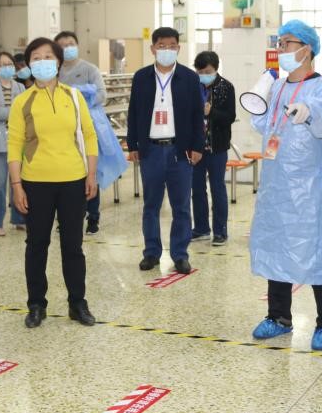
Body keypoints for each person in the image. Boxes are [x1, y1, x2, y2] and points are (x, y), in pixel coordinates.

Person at [248, 21, 322, 349]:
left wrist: (310, 111)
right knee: (276, 247)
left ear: (307, 48)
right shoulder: (277, 86)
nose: (281, 49)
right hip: (275, 184)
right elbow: (263, 125)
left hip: (307, 188)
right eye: (279, 43)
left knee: (317, 252)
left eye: (287, 43)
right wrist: (258, 100)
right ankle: (279, 317)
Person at [8, 37, 99, 329]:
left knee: (73, 246)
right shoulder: (22, 101)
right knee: (37, 244)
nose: (43, 62)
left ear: (58, 62)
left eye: (48, 56)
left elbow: (89, 135)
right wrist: (16, 185)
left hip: (73, 180)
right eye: (36, 57)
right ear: (29, 64)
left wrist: (91, 175)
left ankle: (77, 303)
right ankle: (36, 304)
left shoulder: (73, 96)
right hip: (35, 183)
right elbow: (15, 144)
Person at [126, 27, 205, 275]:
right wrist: (133, 144)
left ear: (178, 48)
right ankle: (151, 252)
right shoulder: (141, 77)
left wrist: (198, 146)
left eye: (172, 46)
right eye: (162, 46)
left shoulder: (189, 78)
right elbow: (133, 112)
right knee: (151, 205)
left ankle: (180, 255)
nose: (167, 50)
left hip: (179, 150)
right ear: (153, 49)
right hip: (150, 149)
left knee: (181, 206)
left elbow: (197, 115)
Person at [56, 30, 107, 234]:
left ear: (77, 45)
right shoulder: (54, 71)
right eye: (62, 45)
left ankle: (93, 217)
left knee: (89, 172)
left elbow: (102, 94)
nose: (67, 48)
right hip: (61, 130)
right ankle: (65, 218)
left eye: (70, 44)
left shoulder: (89, 69)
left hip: (85, 128)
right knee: (64, 175)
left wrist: (81, 101)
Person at [191, 50, 235, 246]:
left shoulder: (226, 87)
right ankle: (201, 229)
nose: (203, 75)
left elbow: (230, 117)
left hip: (217, 147)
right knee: (197, 189)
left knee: (218, 189)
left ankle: (220, 231)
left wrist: (211, 112)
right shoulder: (193, 87)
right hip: (196, 148)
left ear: (216, 69)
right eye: (200, 72)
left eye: (207, 72)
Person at [0, 51, 27, 236]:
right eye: (2, 64)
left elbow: (26, 110)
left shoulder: (20, 87)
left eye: (10, 64)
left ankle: (19, 219)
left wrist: (12, 111)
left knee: (18, 181)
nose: (7, 67)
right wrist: (16, 111)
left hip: (18, 140)